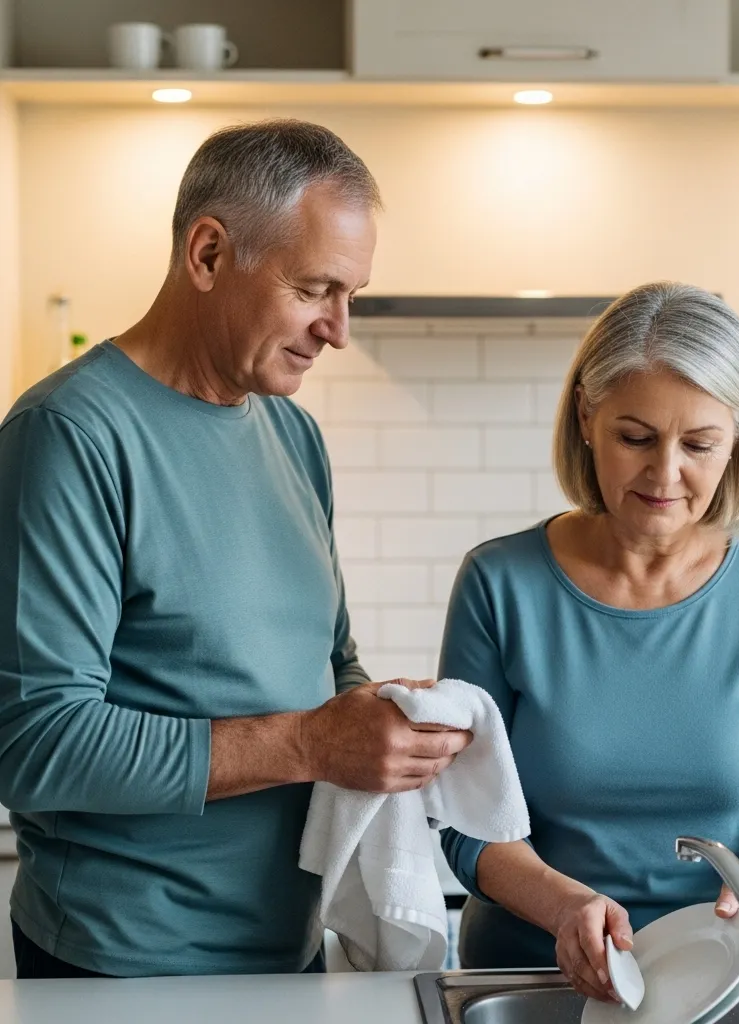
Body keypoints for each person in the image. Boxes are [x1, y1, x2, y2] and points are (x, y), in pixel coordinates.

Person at [0, 119, 471, 979]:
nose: (338, 329)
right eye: (315, 288)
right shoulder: (69, 435)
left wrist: (378, 719)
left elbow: (331, 664)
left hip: (287, 954)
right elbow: (35, 744)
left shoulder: (293, 435)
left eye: (352, 294)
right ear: (209, 254)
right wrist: (311, 744)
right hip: (122, 972)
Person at [439, 282, 739, 1002]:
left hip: (726, 977)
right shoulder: (499, 582)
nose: (665, 474)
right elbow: (465, 822)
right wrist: (563, 907)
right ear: (585, 418)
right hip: (534, 977)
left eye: (699, 444)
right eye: (635, 437)